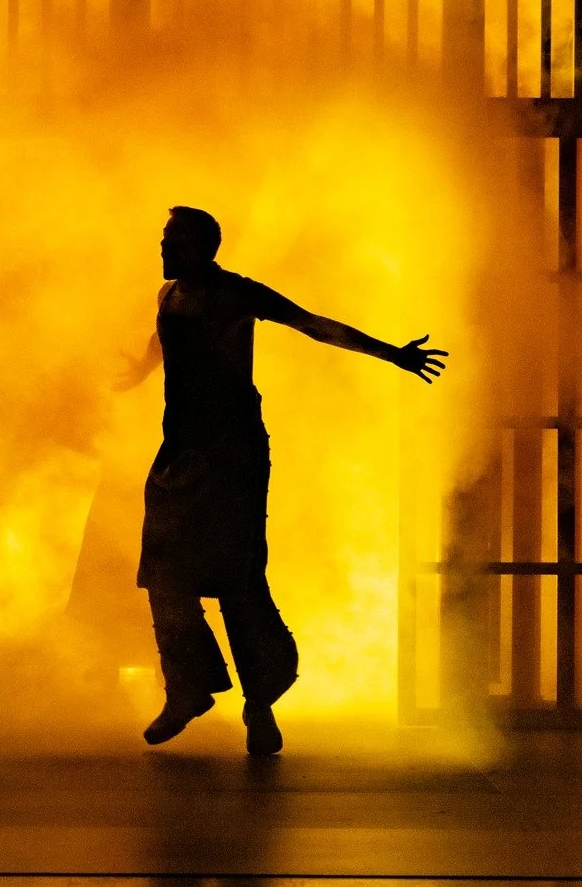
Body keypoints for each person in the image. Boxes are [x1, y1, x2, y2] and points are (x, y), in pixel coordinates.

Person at [115, 206, 447, 756]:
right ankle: (187, 687)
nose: (163, 249)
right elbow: (163, 338)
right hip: (181, 449)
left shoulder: (236, 294)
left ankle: (259, 704)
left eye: (174, 240)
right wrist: (144, 368)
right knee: (162, 568)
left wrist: (393, 354)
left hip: (233, 452)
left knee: (237, 579)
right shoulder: (168, 295)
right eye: (164, 239)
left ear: (203, 247)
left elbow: (312, 324)